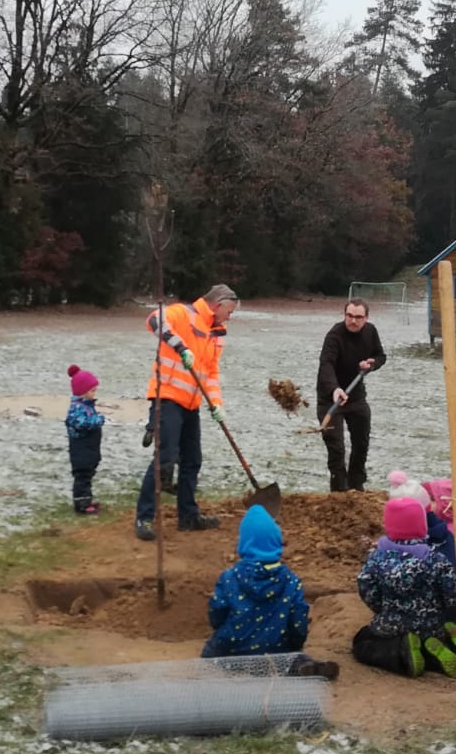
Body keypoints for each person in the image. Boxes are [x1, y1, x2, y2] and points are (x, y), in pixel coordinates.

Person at [134, 283, 238, 542]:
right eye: (229, 311)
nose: (230, 316)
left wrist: (216, 403)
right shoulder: (183, 313)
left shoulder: (217, 333)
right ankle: (144, 517)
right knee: (165, 459)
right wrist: (181, 347)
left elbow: (211, 373)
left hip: (191, 404)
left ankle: (188, 516)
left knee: (192, 460)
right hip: (167, 397)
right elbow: (153, 320)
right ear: (217, 304)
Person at [201, 506, 335, 681]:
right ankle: (301, 666)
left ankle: (233, 667)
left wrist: (219, 629)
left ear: (244, 543)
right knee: (296, 657)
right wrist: (295, 645)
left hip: (234, 647)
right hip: (276, 648)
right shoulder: (291, 580)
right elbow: (298, 621)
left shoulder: (230, 577)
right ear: (276, 542)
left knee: (210, 652)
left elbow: (216, 611)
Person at [352, 497, 456, 678]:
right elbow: (452, 591)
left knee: (363, 641)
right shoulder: (435, 559)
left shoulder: (377, 558)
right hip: (431, 626)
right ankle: (450, 644)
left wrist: (381, 608)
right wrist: (439, 610)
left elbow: (365, 586)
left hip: (391, 627)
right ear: (422, 526)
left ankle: (404, 654)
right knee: (431, 640)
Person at [315, 299, 388, 492]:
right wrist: (334, 388)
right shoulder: (334, 336)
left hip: (355, 396)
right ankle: (339, 491)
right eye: (349, 316)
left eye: (358, 317)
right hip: (330, 398)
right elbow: (326, 364)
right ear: (344, 315)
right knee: (336, 448)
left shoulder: (370, 331)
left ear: (366, 318)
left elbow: (381, 356)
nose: (353, 321)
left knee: (361, 442)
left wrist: (372, 364)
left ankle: (357, 486)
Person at [65, 365, 104, 516]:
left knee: (87, 476)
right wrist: (97, 420)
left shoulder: (85, 406)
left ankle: (87, 501)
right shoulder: (77, 408)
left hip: (89, 451)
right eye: (92, 391)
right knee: (82, 477)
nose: (95, 394)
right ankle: (82, 504)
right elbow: (80, 423)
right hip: (81, 451)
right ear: (82, 392)